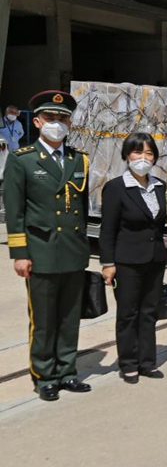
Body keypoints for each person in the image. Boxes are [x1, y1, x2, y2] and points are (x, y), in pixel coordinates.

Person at [3, 90, 92, 401]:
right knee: (43, 321)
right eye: (51, 118)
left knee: (69, 318)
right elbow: (14, 212)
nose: (57, 123)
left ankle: (67, 371)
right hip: (40, 253)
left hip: (73, 251)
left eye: (63, 119)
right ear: (38, 122)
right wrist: (19, 254)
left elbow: (81, 206)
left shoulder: (79, 159)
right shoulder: (21, 160)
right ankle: (44, 376)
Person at [99, 132, 167, 384]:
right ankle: (128, 362)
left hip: (155, 260)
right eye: (138, 152)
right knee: (128, 313)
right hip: (126, 261)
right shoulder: (116, 187)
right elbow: (108, 229)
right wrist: (108, 263)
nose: (143, 158)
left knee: (150, 311)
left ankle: (147, 361)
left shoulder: (160, 186)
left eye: (149, 153)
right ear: (127, 155)